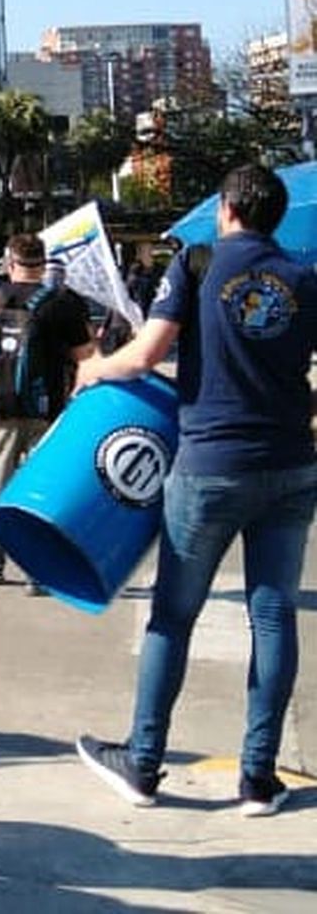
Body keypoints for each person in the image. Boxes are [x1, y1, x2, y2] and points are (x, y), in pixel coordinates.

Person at [73, 164, 317, 817]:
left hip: (211, 462)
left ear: (229, 208)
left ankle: (144, 763)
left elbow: (147, 353)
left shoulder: (198, 262)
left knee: (174, 617)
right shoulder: (304, 277)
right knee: (273, 615)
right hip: (292, 464)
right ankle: (258, 780)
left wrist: (95, 369)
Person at [0, 233, 93, 587]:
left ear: (10, 262)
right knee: (43, 487)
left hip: (0, 408)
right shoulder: (62, 302)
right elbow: (86, 356)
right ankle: (38, 570)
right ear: (44, 263)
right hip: (45, 407)